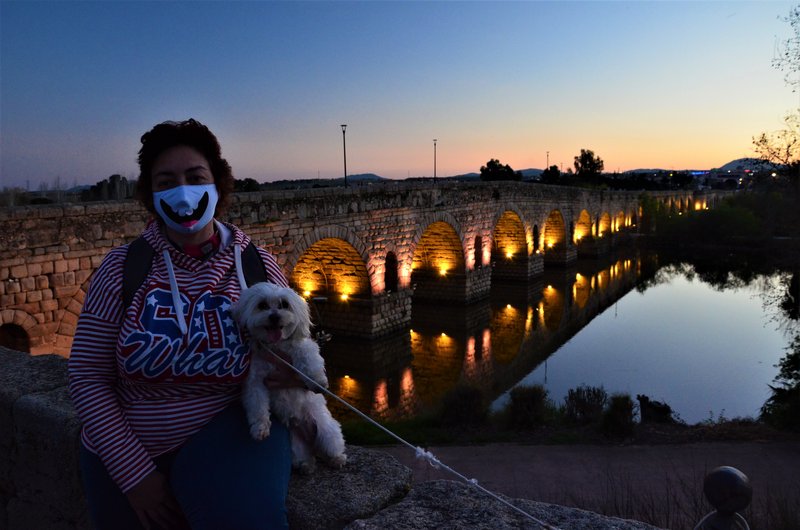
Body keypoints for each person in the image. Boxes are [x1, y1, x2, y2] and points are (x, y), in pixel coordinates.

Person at [68, 119, 299, 530]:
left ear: (218, 184)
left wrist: (293, 374)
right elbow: (87, 376)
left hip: (228, 427)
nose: (183, 190)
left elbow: (295, 343)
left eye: (195, 177)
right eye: (166, 180)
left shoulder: (256, 265)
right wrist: (133, 473)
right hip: (126, 441)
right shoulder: (122, 268)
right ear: (150, 194)